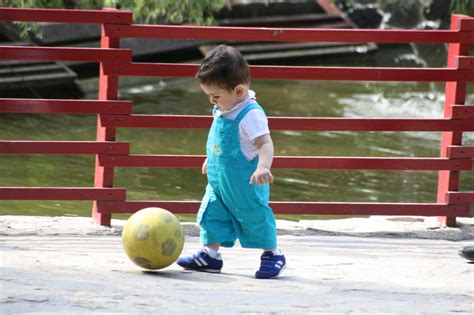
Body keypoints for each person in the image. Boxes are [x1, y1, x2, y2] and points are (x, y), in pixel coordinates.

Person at [176, 45, 286, 279]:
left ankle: (273, 254)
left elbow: (265, 143)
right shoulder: (225, 108)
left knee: (255, 216)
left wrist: (263, 166)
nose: (212, 102)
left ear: (238, 91)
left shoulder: (251, 114)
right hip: (219, 179)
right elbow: (222, 141)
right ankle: (210, 255)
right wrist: (211, 159)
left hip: (246, 182)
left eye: (215, 96)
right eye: (210, 97)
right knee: (211, 213)